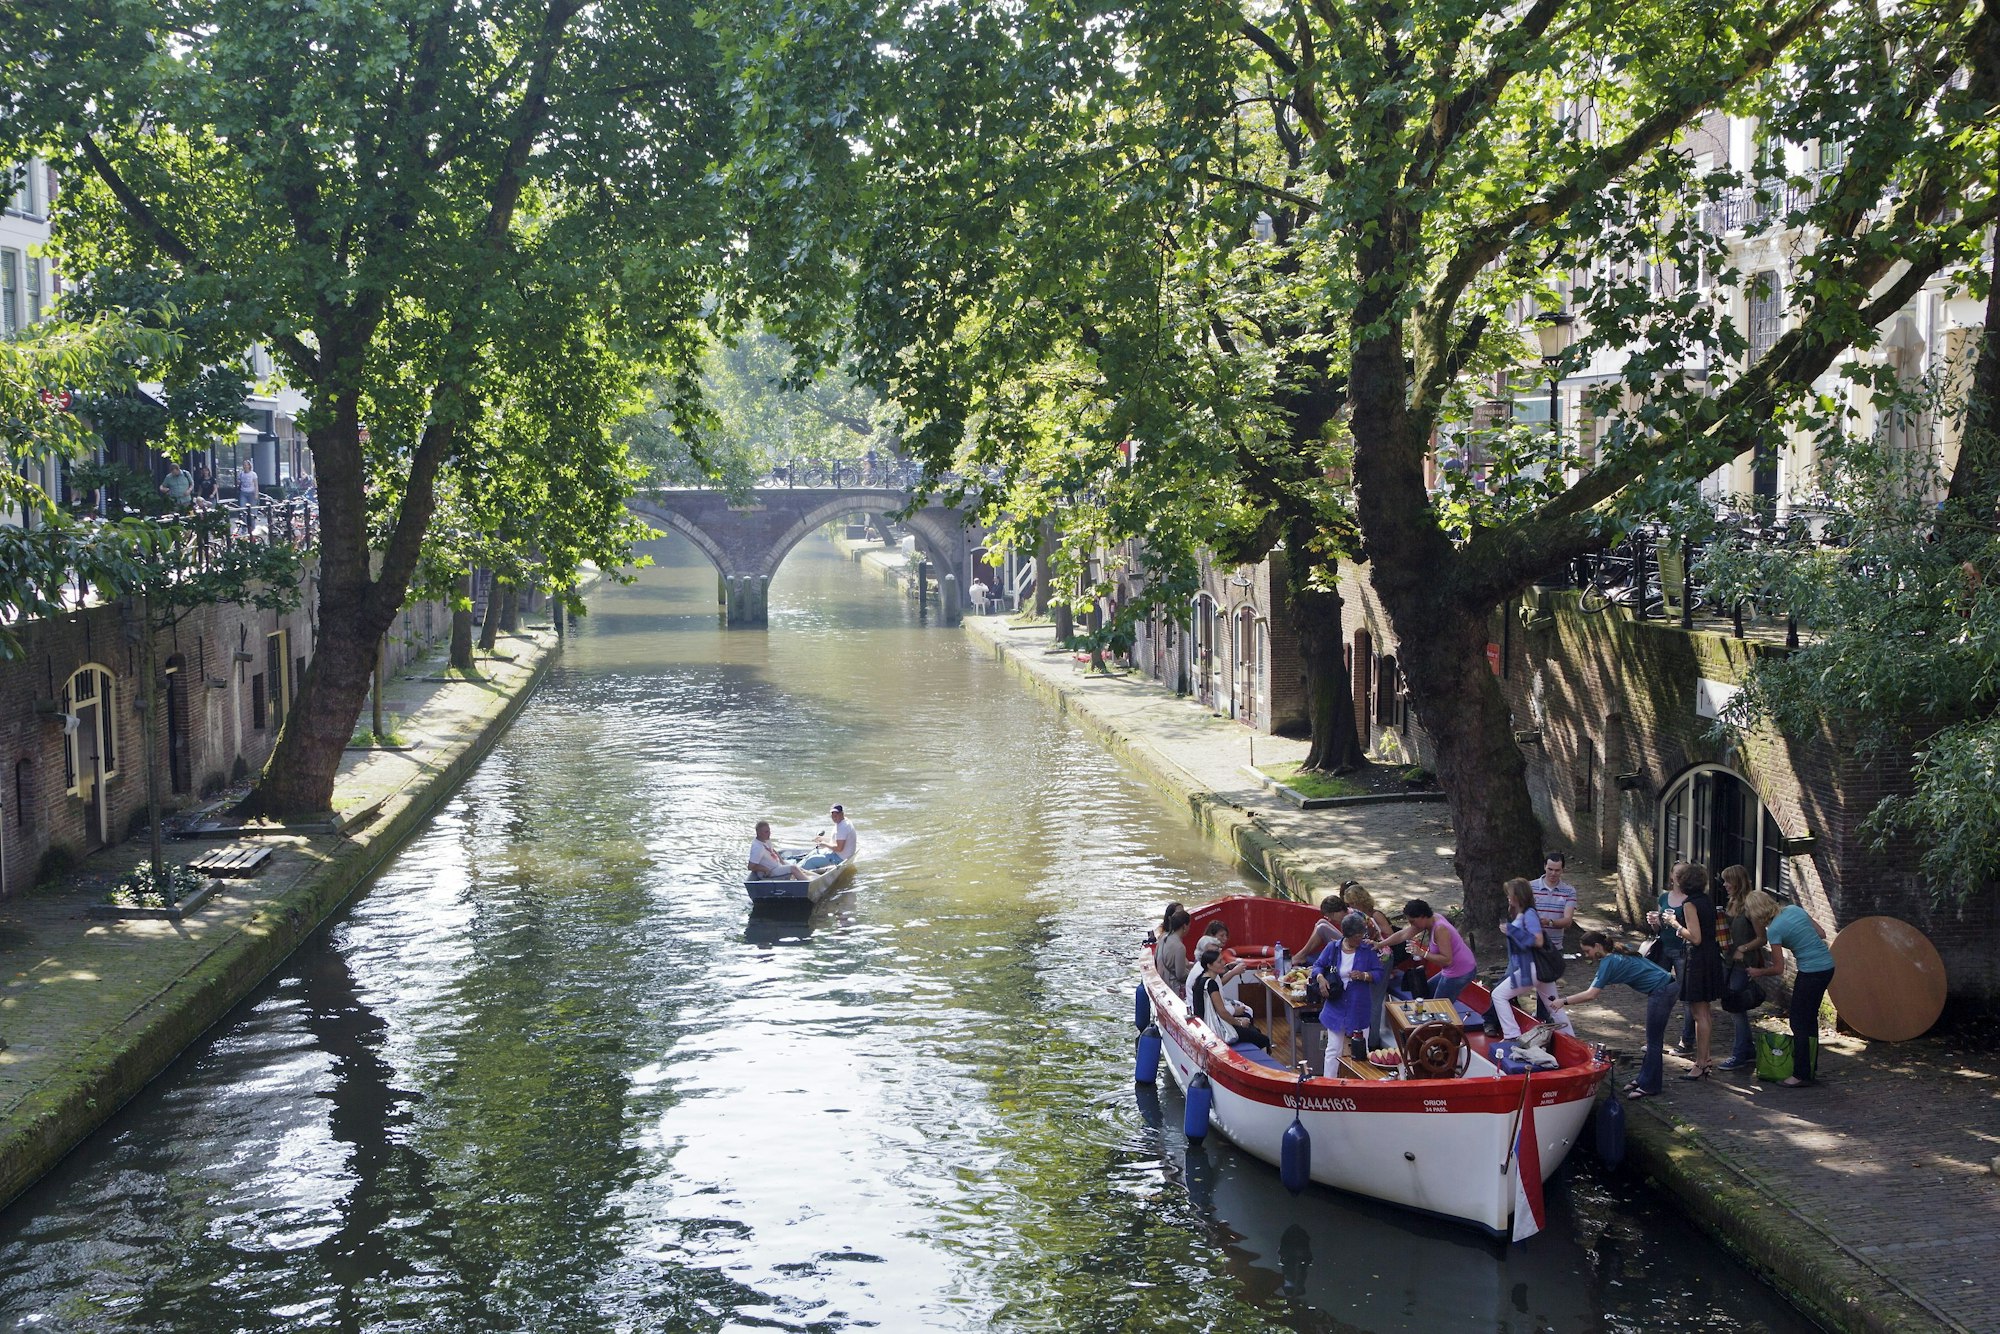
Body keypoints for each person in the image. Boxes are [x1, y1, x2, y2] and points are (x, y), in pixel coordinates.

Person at [1565, 930, 1678, 1100]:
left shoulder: (1609, 961)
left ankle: (1650, 1086)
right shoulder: (1618, 951)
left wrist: (1563, 1001)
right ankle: (1642, 1079)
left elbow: (1591, 994)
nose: (1588, 956)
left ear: (1597, 946)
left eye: (1588, 951)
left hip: (1662, 991)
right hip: (1666, 987)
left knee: (1654, 1042)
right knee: (1652, 1040)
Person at [1747, 899, 1836, 1087]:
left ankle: (1801, 1074)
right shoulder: (1794, 909)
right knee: (1809, 1019)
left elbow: (1779, 968)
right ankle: (1810, 1067)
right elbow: (1821, 933)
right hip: (1827, 966)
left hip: (1811, 972)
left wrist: (1758, 972)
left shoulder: (1774, 931)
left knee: (1798, 1021)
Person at [1493, 878, 1573, 1039]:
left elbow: (1538, 940)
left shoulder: (1529, 914)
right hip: (1536, 967)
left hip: (1531, 968)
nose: (1508, 897)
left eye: (1510, 894)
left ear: (1518, 896)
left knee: (1498, 995)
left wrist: (1512, 931)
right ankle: (1572, 1038)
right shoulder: (1523, 913)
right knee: (1553, 1005)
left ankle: (1511, 1034)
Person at [1671, 861, 1725, 1080]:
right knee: (1705, 1012)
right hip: (1711, 956)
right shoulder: (1707, 901)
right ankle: (1706, 1059)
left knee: (1698, 1013)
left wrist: (1675, 924)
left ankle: (1701, 1063)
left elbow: (1695, 937)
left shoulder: (1689, 904)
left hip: (1698, 959)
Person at [1716, 866, 1771, 1072]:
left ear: (1737, 882)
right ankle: (1748, 1051)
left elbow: (1762, 938)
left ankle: (1739, 1054)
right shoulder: (1731, 903)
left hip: (1743, 964)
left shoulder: (1749, 906)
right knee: (1733, 1006)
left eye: (1727, 881)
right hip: (1728, 962)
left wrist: (1743, 948)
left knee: (1736, 1007)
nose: (1724, 885)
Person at [1308, 912, 1381, 1065]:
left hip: (1358, 1007)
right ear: (1348, 935)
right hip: (1336, 1006)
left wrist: (1364, 975)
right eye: (1358, 936)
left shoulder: (1368, 950)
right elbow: (1317, 966)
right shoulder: (1333, 948)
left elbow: (1378, 974)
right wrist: (1321, 979)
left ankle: (1358, 1086)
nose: (1361, 938)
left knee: (1361, 1051)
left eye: (1362, 934)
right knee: (1333, 1049)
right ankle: (1329, 1084)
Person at [1378, 900, 1478, 1003]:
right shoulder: (1430, 920)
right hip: (1451, 969)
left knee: (1438, 1006)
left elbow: (1447, 960)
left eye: (1412, 921)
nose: (1412, 925)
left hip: (1461, 970)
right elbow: (1403, 935)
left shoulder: (1440, 929)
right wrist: (1380, 944)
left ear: (1422, 916)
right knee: (1425, 994)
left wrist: (1422, 953)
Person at [1647, 859, 1697, 1054]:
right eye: (1676, 873)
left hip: (1683, 951)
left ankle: (1687, 1041)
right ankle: (1654, 1040)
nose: (1678, 877)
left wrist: (1676, 923)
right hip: (1664, 948)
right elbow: (1658, 927)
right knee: (1658, 992)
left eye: (1683, 873)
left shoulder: (1690, 900)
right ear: (1671, 875)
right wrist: (1653, 921)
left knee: (1685, 996)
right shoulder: (1664, 897)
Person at [1191, 942, 1272, 1050]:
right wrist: (1239, 1023)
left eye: (1222, 960)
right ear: (1209, 966)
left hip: (1205, 1024)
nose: (1223, 963)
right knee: (1262, 1039)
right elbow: (1222, 1012)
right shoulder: (1211, 984)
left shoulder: (1199, 979)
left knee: (1252, 1028)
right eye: (1219, 962)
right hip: (1214, 1028)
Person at [1342, 883, 1394, 1045]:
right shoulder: (1359, 916)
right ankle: (1362, 1036)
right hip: (1373, 956)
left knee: (1374, 1000)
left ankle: (1372, 1041)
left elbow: (1390, 935)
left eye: (1351, 903)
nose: (1350, 907)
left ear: (1358, 902)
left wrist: (1376, 941)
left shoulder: (1373, 915)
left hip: (1380, 957)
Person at [1530, 851, 1579, 950]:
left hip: (1554, 947)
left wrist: (1549, 922)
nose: (1553, 873)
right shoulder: (1530, 887)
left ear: (1562, 870)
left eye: (1557, 870)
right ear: (1544, 866)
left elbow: (1568, 921)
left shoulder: (1569, 891)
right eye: (1550, 869)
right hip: (1532, 944)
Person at [1155, 903, 1193, 1002]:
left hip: (1162, 984)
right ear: (1184, 926)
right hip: (1173, 989)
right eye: (1189, 926)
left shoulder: (1163, 937)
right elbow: (1181, 975)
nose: (1189, 929)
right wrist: (1195, 973)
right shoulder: (1179, 947)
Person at [803, 804, 857, 869]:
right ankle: (797, 868)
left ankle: (798, 875)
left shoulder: (843, 827)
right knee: (814, 852)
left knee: (811, 861)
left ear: (842, 813)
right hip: (839, 855)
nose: (834, 817)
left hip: (839, 858)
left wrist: (825, 844)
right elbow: (838, 840)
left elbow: (839, 848)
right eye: (833, 815)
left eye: (836, 815)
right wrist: (822, 839)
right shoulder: (844, 822)